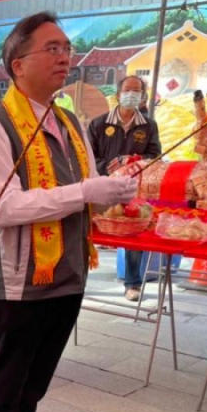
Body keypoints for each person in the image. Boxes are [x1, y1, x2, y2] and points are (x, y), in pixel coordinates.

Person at [0, 13, 136, 412]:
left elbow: (84, 191)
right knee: (5, 376)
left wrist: (113, 190)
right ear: (18, 65)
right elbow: (0, 207)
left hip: (68, 271)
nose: (65, 57)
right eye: (52, 48)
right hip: (20, 277)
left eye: (66, 47)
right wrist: (85, 190)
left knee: (36, 377)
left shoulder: (66, 120)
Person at [88, 75, 161, 302]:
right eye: (128, 90)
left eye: (136, 91)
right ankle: (80, 280)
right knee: (90, 230)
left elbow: (155, 157)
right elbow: (88, 157)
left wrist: (134, 160)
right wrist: (107, 166)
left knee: (133, 233)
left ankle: (132, 283)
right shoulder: (99, 124)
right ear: (118, 94)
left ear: (142, 96)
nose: (132, 94)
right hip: (103, 186)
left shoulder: (148, 126)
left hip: (133, 188)